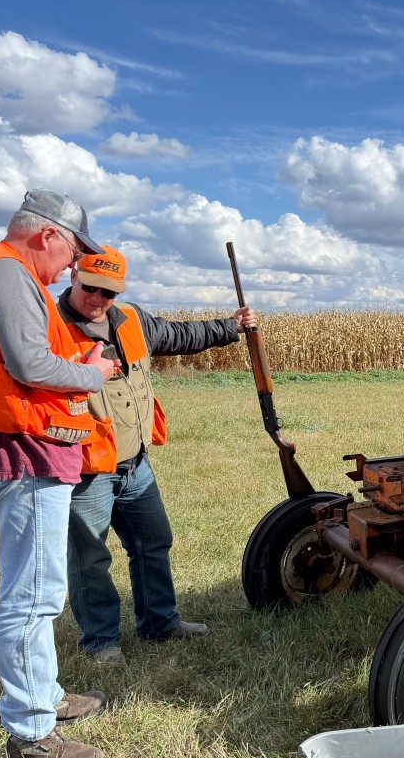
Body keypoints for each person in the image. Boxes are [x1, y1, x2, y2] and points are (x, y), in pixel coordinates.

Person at [0, 189, 118, 758]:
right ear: (47, 236)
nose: (72, 267)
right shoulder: (11, 273)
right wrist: (89, 373)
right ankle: (33, 736)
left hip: (11, 447)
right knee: (33, 596)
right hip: (25, 454)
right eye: (72, 252)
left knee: (34, 589)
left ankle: (43, 694)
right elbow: (30, 365)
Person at [57, 245, 255, 664]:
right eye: (90, 287)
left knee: (153, 542)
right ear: (73, 276)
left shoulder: (130, 318)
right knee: (90, 558)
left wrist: (229, 327)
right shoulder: (50, 327)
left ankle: (160, 623)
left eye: (108, 292)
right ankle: (100, 641)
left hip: (135, 464)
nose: (98, 299)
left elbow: (179, 336)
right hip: (86, 468)